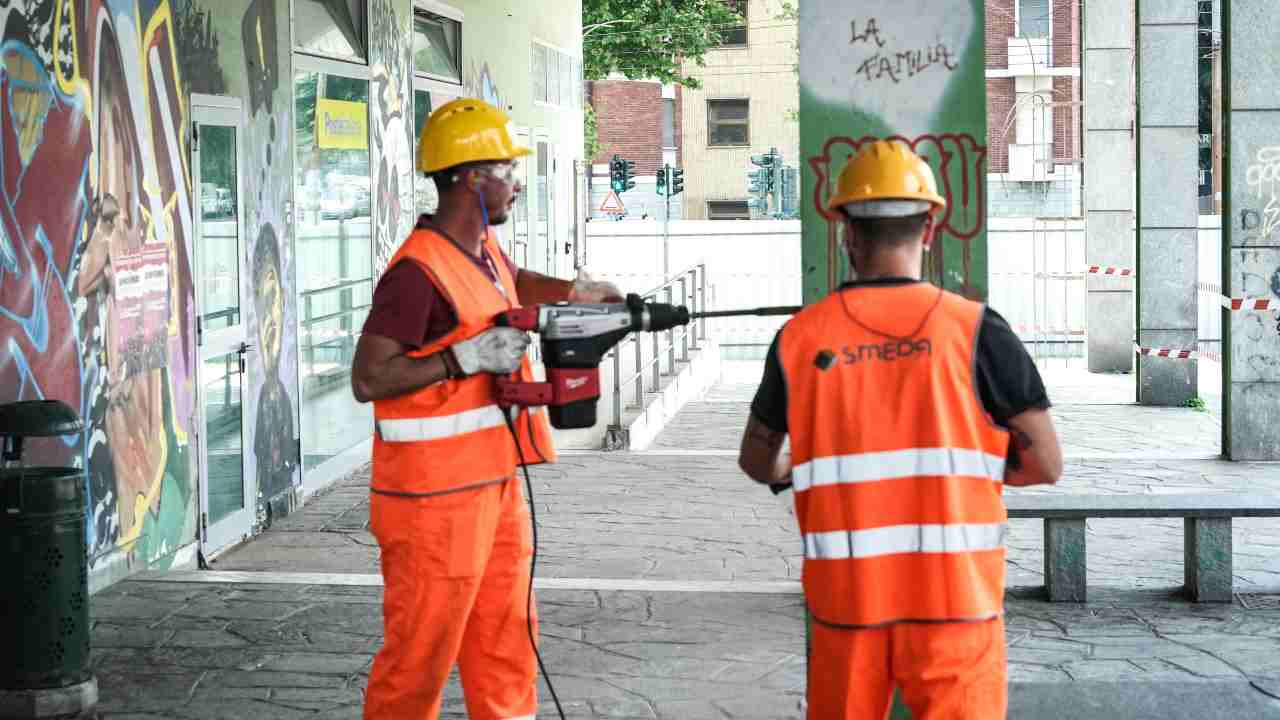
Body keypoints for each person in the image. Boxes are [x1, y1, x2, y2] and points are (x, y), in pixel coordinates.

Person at [737, 140, 1063, 720]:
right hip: (956, 606)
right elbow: (1045, 463)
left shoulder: (801, 338)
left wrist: (790, 470)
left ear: (845, 232)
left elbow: (756, 459)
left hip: (848, 608)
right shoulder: (977, 330)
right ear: (930, 228)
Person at [352, 98, 622, 720]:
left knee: (505, 637)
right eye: (506, 169)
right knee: (419, 657)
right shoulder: (417, 273)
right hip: (431, 506)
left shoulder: (481, 250)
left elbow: (514, 280)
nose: (517, 182)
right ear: (471, 179)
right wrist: (461, 359)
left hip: (493, 485)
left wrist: (571, 294)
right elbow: (369, 377)